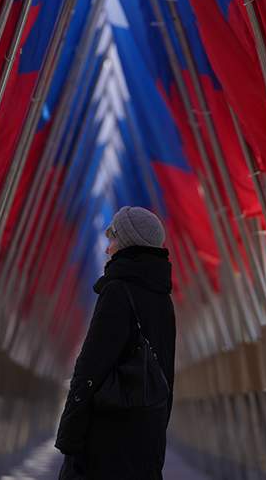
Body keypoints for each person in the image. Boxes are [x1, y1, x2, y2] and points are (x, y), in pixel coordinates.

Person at [55, 206, 176, 480]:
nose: (108, 248)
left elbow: (91, 366)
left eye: (112, 238)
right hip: (147, 429)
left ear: (126, 243)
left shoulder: (118, 291)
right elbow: (166, 372)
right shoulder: (163, 299)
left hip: (108, 432)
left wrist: (70, 434)